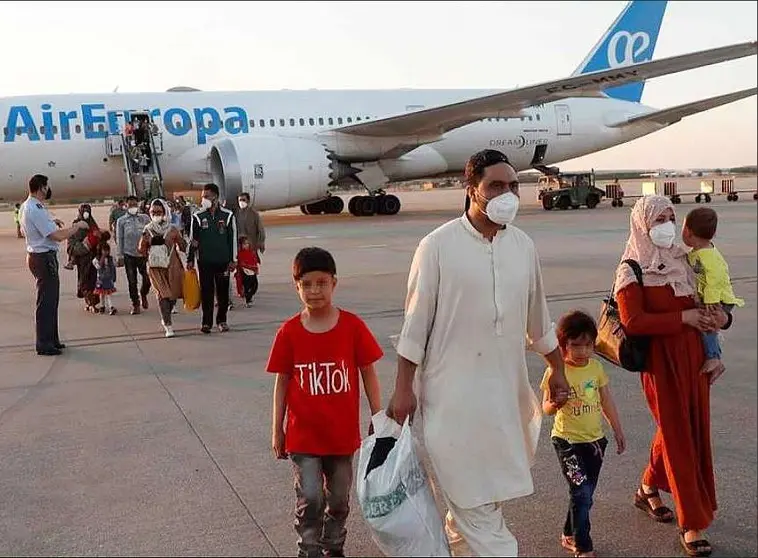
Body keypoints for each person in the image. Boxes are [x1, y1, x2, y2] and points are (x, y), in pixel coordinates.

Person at [386, 149, 569, 556]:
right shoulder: (436, 247)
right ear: (471, 190)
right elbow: (414, 329)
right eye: (496, 186)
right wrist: (403, 390)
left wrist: (557, 370)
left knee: (482, 500)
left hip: (505, 398)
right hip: (451, 400)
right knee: (479, 511)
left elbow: (538, 321)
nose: (508, 194)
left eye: (513, 186)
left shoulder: (523, 246)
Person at [614, 195, 731, 557]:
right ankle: (692, 522)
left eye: (670, 216)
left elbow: (718, 301)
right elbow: (633, 321)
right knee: (680, 434)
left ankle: (648, 487)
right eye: (658, 218)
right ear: (642, 224)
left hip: (695, 361)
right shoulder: (631, 268)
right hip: (660, 363)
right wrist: (683, 319)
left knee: (686, 429)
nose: (666, 224)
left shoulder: (687, 259)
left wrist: (720, 321)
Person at [266, 247, 383, 558]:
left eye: (321, 282)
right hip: (302, 436)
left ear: (334, 283)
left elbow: (368, 372)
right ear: (297, 287)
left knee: (339, 500)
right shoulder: (289, 332)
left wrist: (378, 415)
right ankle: (309, 549)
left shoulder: (353, 327)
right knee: (311, 498)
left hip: (341, 437)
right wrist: (277, 429)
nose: (314, 291)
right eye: (306, 284)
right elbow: (282, 382)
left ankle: (333, 545)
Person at [541, 310, 625, 558]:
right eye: (575, 346)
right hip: (567, 442)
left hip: (595, 442)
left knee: (584, 495)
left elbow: (606, 399)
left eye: (588, 345)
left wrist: (617, 429)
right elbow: (545, 407)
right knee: (581, 492)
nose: (582, 352)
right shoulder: (555, 372)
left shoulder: (596, 368)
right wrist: (555, 403)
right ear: (563, 345)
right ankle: (583, 545)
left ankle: (569, 532)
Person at [20, 174, 89, 356]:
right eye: (46, 186)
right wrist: (77, 227)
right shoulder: (34, 208)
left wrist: (53, 222)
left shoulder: (30, 206)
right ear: (41, 187)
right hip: (42, 258)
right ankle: (44, 344)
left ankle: (52, 339)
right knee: (46, 302)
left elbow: (40, 227)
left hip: (41, 256)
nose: (48, 189)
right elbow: (56, 236)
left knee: (52, 300)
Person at [681, 207, 744, 376]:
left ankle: (713, 357)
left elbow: (715, 280)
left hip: (719, 298)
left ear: (687, 231)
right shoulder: (698, 252)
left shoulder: (709, 256)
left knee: (707, 323)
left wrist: (710, 300)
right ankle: (713, 355)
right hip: (712, 296)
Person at [187, 183, 237, 334]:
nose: (204, 199)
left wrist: (233, 259)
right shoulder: (198, 216)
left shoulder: (228, 216)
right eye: (203, 197)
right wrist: (190, 259)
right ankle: (206, 323)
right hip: (205, 261)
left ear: (215, 197)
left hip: (223, 261)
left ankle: (222, 320)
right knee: (206, 293)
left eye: (207, 196)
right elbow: (193, 240)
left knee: (222, 294)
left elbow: (232, 239)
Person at [138, 198, 187, 338]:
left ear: (165, 212)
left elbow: (183, 246)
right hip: (155, 268)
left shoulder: (172, 229)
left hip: (173, 267)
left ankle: (166, 315)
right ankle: (168, 324)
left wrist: (182, 241)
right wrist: (145, 241)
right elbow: (141, 250)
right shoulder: (147, 230)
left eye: (159, 212)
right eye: (153, 212)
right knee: (162, 296)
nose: (156, 214)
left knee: (172, 296)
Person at [116, 195, 152, 315]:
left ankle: (143, 294)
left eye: (134, 205)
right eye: (130, 205)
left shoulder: (144, 218)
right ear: (126, 205)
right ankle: (135, 304)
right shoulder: (121, 221)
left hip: (142, 254)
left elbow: (151, 233)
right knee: (132, 281)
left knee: (147, 279)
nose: (133, 207)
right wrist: (120, 255)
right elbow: (119, 238)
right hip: (128, 254)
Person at [68, 203, 102, 312]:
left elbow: (100, 240)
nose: (86, 213)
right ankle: (90, 303)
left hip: (93, 259)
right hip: (83, 260)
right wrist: (83, 247)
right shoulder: (76, 225)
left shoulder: (93, 224)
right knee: (85, 281)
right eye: (84, 210)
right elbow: (71, 243)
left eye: (88, 210)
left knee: (94, 281)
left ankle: (93, 303)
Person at [92, 233, 118, 315]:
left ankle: (111, 306)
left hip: (108, 278)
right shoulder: (96, 259)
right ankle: (103, 306)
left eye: (107, 250)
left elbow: (114, 266)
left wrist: (114, 277)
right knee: (102, 294)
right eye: (104, 250)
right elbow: (98, 267)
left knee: (108, 293)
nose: (106, 252)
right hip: (101, 279)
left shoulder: (111, 259)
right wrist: (102, 258)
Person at [236, 192, 266, 256]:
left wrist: (261, 243)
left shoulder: (254, 214)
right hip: (239, 246)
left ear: (248, 201)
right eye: (240, 200)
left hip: (251, 245)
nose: (241, 202)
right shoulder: (236, 214)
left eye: (243, 200)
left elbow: (261, 229)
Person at [235, 236, 260, 307]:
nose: (247, 245)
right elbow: (240, 263)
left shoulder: (251, 252)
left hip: (253, 272)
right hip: (245, 273)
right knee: (247, 287)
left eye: (247, 243)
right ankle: (248, 300)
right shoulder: (240, 254)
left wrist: (256, 269)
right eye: (244, 244)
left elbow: (254, 261)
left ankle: (249, 295)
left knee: (255, 286)